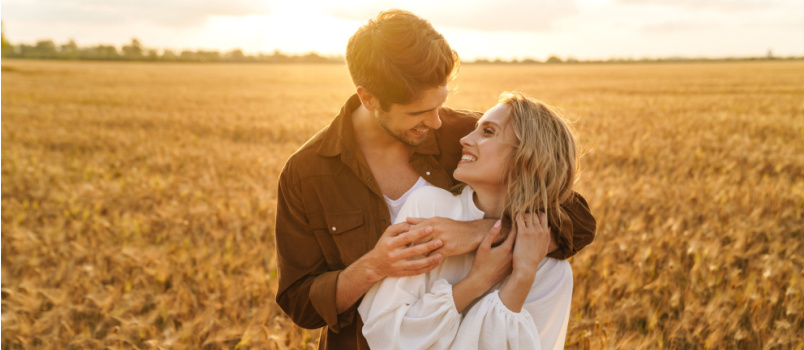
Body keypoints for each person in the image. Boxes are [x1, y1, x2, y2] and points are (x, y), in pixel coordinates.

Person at [274, 9, 596, 350]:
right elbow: (300, 303)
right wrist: (373, 266)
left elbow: (576, 219)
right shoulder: (307, 174)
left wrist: (478, 231)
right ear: (368, 98)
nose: (437, 122)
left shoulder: (467, 137)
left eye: (440, 104)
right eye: (417, 112)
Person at [359, 92, 578, 350]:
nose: (464, 139)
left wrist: (521, 278)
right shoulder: (429, 209)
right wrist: (476, 282)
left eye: (487, 131)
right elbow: (384, 335)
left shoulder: (551, 271)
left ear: (527, 157)